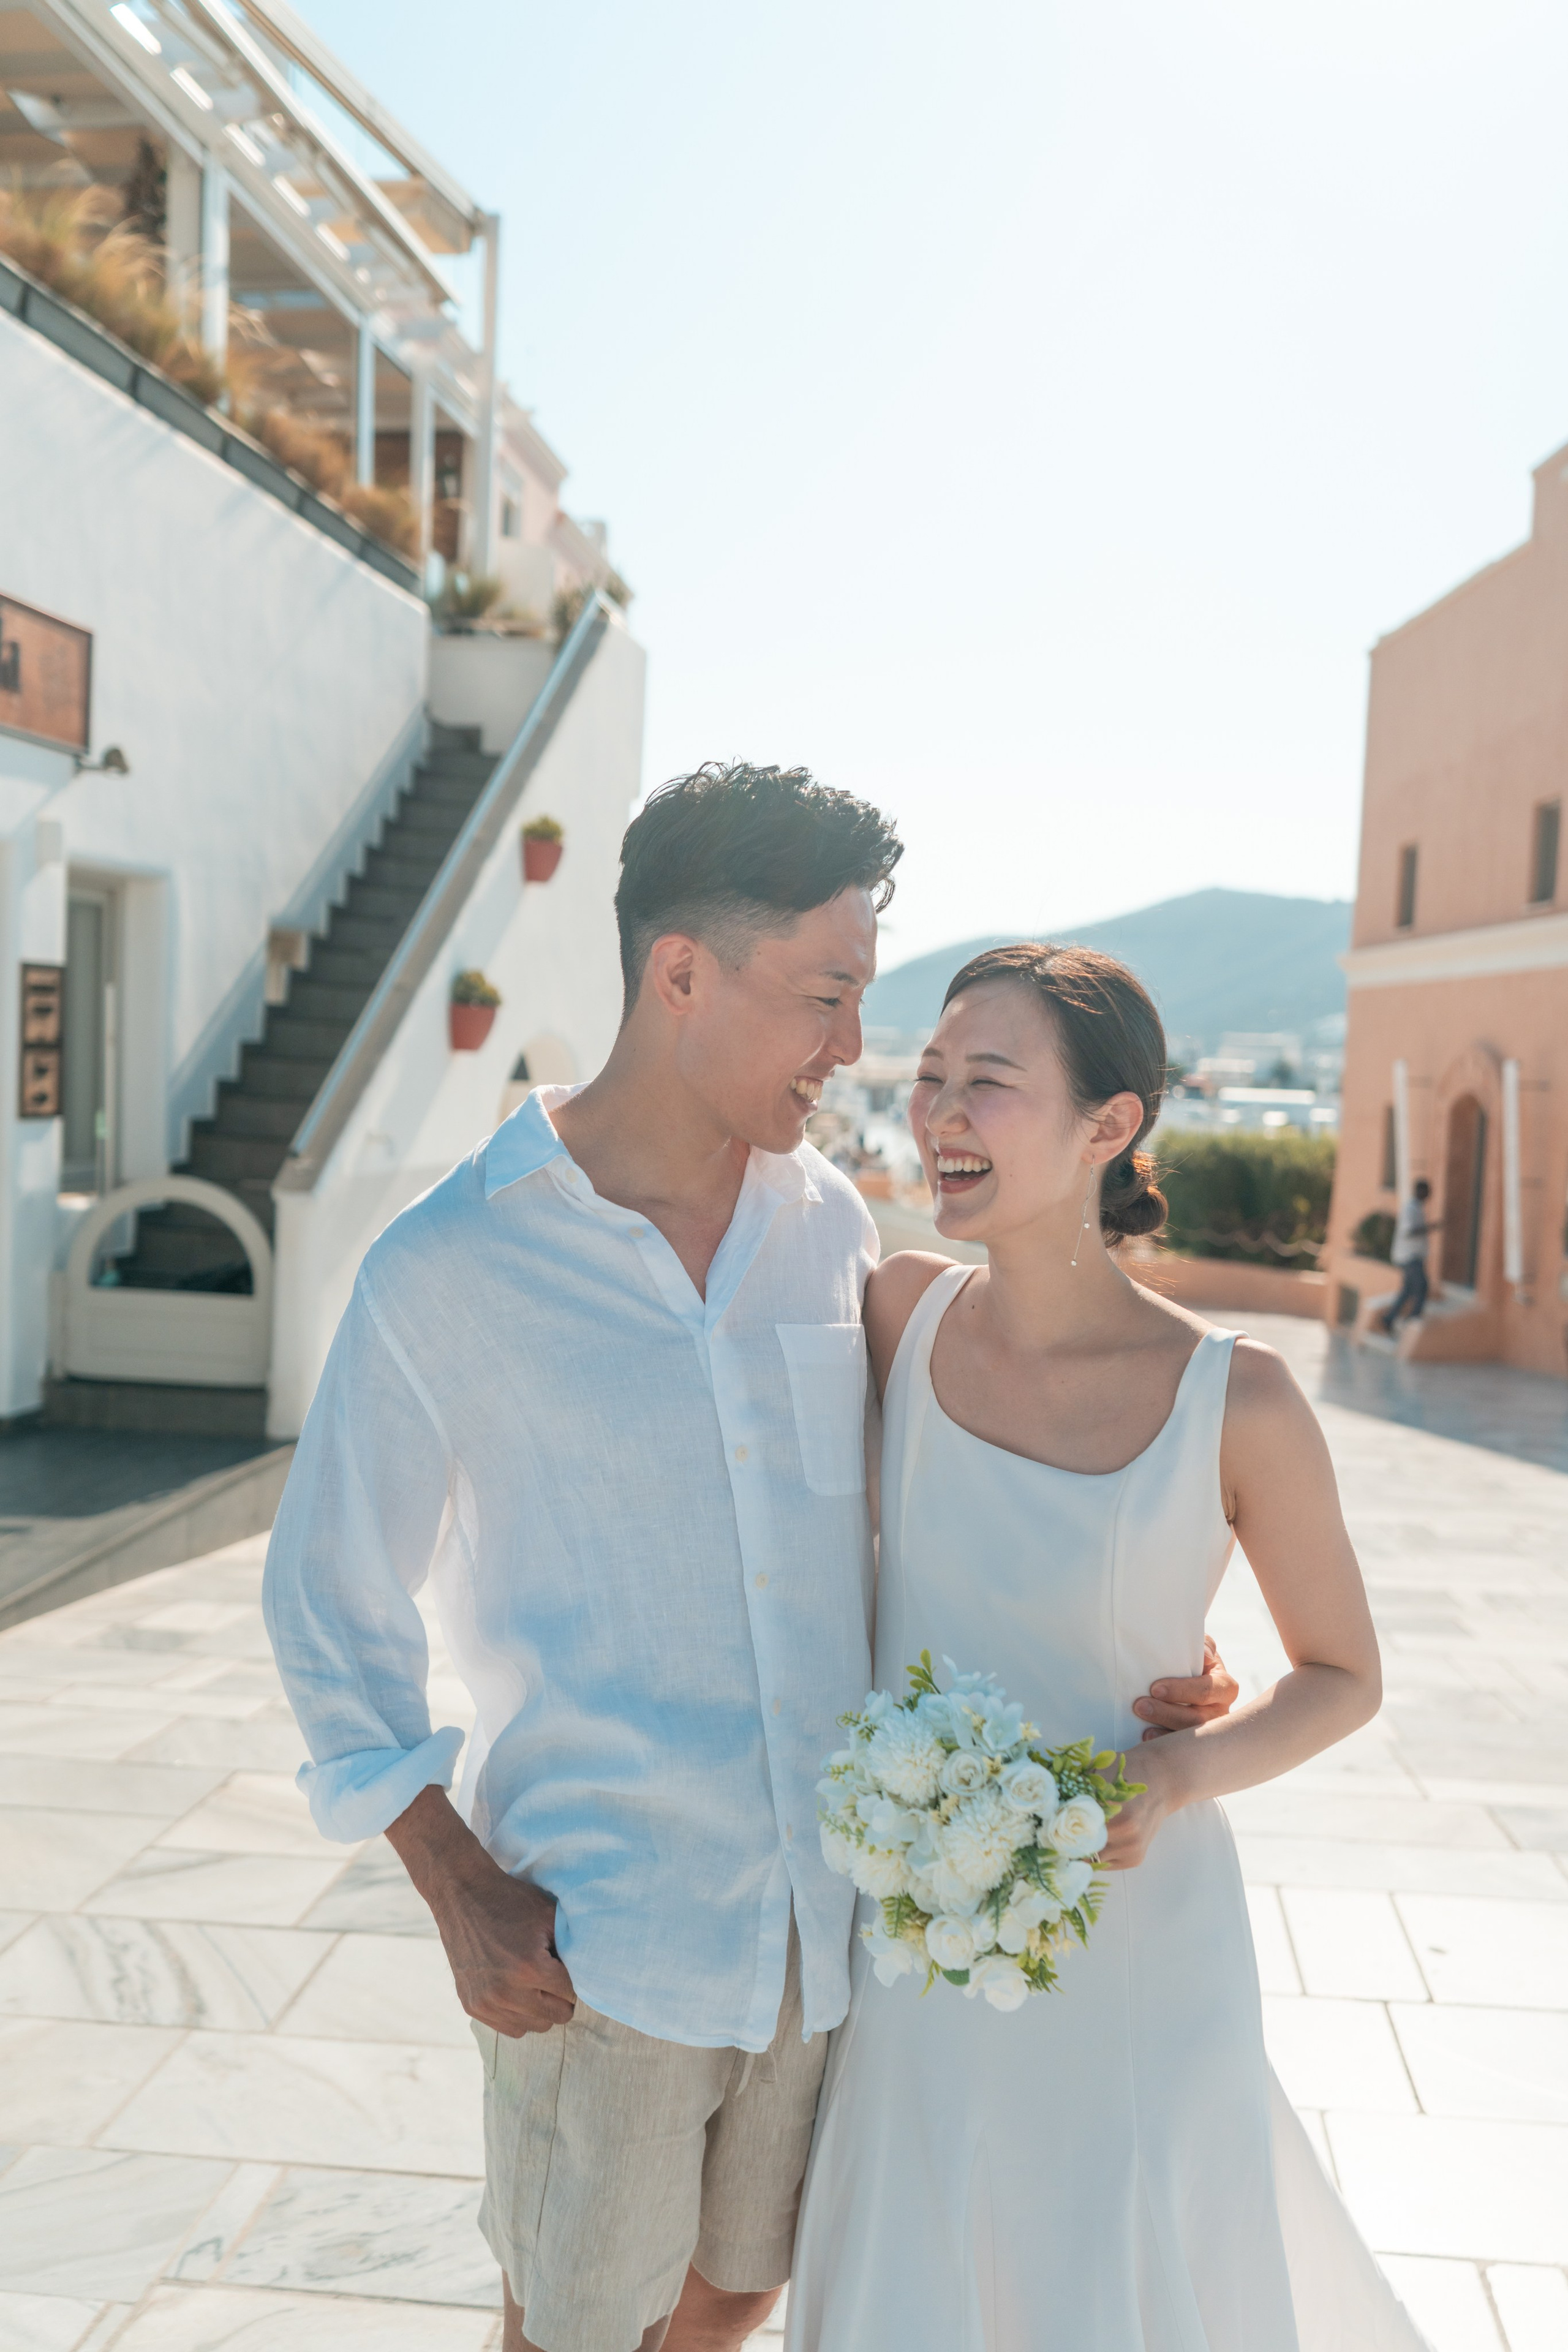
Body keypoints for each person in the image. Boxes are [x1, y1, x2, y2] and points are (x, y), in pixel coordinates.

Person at [262, 774, 1237, 2352]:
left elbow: (908, 1500)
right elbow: (325, 1601)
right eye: (827, 994)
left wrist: (1117, 1639)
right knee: (573, 2323)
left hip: (821, 1923)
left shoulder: (825, 1232)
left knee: (734, 2296)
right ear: (681, 974)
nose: (853, 1049)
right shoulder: (450, 1265)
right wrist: (452, 1883)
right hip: (605, 1937)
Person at [785, 943, 1431, 2352]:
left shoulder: (1236, 1398)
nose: (941, 1114)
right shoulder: (894, 1310)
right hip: (919, 1944)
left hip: (1141, 1945)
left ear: (1109, 1124)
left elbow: (1341, 1672)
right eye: (932, 1077)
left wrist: (1181, 1768)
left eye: (989, 1084)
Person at [1378, 1177, 1439, 1333]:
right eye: (1426, 1192)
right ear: (1420, 1191)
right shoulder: (1410, 1209)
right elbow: (1410, 1231)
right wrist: (1430, 1227)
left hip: (1414, 1256)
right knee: (1422, 1286)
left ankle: (1389, 1319)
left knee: (1408, 1290)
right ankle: (1413, 1318)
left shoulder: (1417, 1208)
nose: (1428, 1195)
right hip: (1409, 1257)